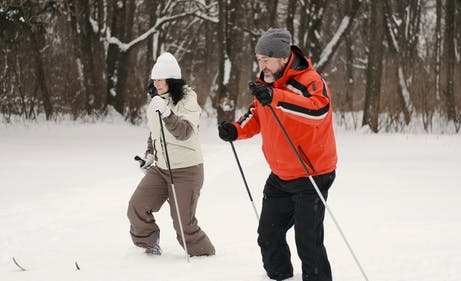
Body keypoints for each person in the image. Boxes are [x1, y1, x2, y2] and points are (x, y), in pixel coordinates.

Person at [218, 28, 337, 281]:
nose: (261, 65)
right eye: (259, 59)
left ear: (283, 58)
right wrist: (235, 130)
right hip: (281, 174)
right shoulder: (266, 84)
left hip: (311, 173)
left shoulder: (310, 81)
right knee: (268, 234)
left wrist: (276, 97)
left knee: (308, 240)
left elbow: (318, 111)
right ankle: (279, 276)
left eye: (266, 59)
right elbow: (256, 114)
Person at [127, 52, 215, 257]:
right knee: (137, 206)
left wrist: (167, 113)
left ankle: (205, 257)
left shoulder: (188, 100)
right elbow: (154, 132)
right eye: (154, 79)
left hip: (187, 170)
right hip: (161, 168)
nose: (156, 83)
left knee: (184, 225)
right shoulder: (155, 101)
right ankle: (148, 246)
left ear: (172, 80)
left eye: (161, 79)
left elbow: (184, 132)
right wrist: (150, 154)